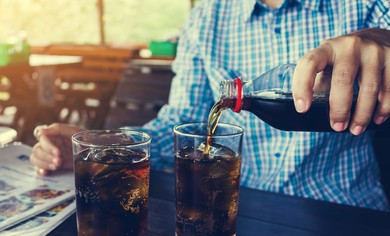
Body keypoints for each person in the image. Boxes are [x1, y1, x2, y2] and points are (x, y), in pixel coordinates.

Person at [30, 0, 390, 211]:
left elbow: (383, 36)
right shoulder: (208, 15)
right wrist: (102, 144)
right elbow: (183, 122)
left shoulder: (363, 4)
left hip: (347, 212)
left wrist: (379, 44)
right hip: (237, 212)